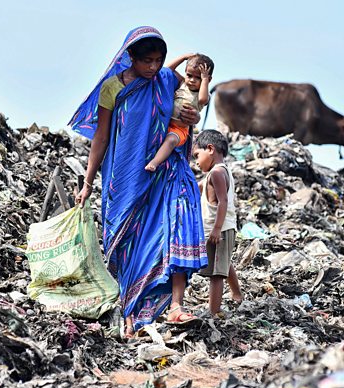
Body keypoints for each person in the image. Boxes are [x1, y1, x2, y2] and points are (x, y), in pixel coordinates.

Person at [68, 27, 208, 337]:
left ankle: (173, 307)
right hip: (124, 177)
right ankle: (128, 312)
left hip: (162, 173)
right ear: (130, 55)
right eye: (147, 61)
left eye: (158, 60)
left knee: (165, 235)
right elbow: (101, 137)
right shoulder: (113, 88)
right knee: (126, 244)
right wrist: (88, 182)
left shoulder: (167, 80)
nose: (153, 67)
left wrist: (193, 119)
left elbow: (189, 108)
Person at [192, 129, 243, 316]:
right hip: (220, 228)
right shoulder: (216, 173)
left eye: (197, 155)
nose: (196, 162)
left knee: (216, 274)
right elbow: (199, 187)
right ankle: (237, 294)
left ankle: (214, 312)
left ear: (210, 149)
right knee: (222, 264)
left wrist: (216, 229)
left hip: (220, 229)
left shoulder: (217, 173)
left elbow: (223, 201)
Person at [145, 53, 213, 172]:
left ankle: (154, 162)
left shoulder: (204, 94)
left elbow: (202, 100)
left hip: (179, 129)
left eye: (198, 78)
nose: (192, 80)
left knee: (171, 141)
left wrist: (205, 80)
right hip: (164, 123)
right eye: (189, 75)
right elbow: (167, 70)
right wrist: (183, 58)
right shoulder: (182, 83)